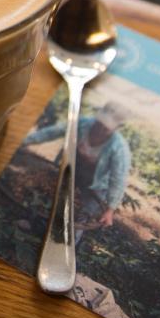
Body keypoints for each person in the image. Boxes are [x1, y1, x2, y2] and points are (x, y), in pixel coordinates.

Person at [24, 101, 132, 242]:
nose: (99, 129)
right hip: (69, 172)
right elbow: (52, 132)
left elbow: (118, 179)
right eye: (99, 123)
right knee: (51, 200)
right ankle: (33, 230)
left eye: (106, 128)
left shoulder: (119, 149)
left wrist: (110, 209)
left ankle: (65, 245)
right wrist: (24, 141)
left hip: (93, 187)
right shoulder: (82, 124)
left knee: (78, 219)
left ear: (118, 127)